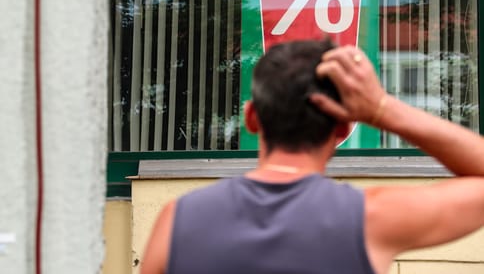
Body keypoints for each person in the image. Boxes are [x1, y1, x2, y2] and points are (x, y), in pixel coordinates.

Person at [141, 40, 484, 274]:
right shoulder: (371, 219)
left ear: (251, 118)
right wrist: (382, 109)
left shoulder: (178, 221)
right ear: (343, 127)